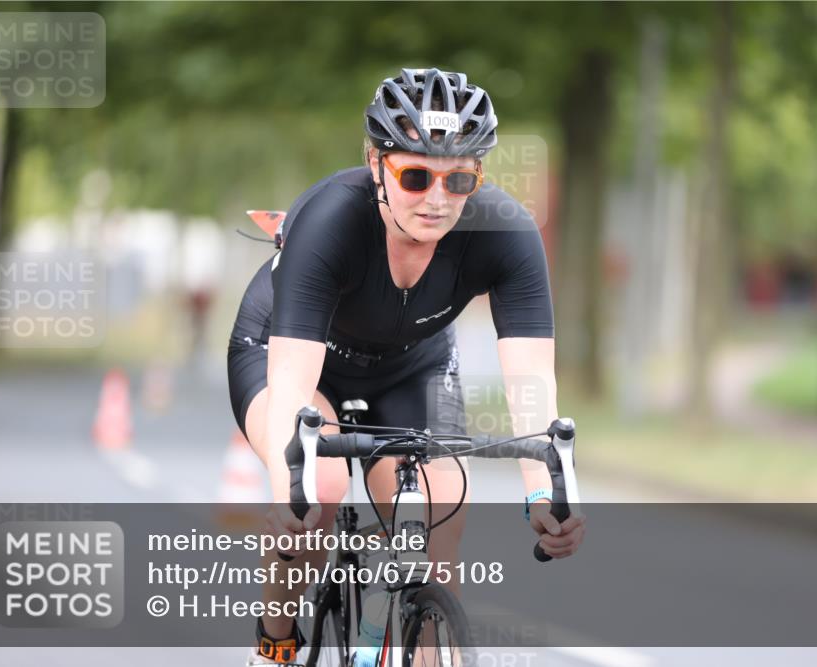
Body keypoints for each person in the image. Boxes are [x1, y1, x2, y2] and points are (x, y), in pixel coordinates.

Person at [227, 67, 586, 666]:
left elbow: (532, 384)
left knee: (441, 512)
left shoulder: (506, 233)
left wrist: (542, 494)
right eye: (415, 177)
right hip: (292, 356)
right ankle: (276, 641)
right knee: (317, 490)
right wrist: (290, 485)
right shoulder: (330, 220)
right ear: (376, 164)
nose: (437, 199)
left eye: (459, 179)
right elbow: (291, 380)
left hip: (409, 367)